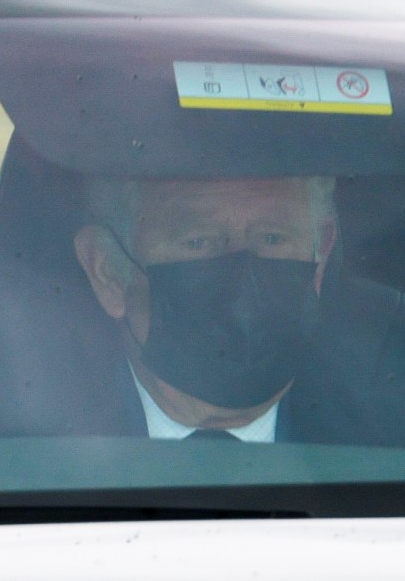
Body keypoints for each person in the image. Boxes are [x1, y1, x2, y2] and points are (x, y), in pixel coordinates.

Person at [72, 176, 355, 442]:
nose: (241, 304)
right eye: (198, 242)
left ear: (322, 255)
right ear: (107, 271)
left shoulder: (388, 440)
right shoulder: (38, 444)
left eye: (272, 239)